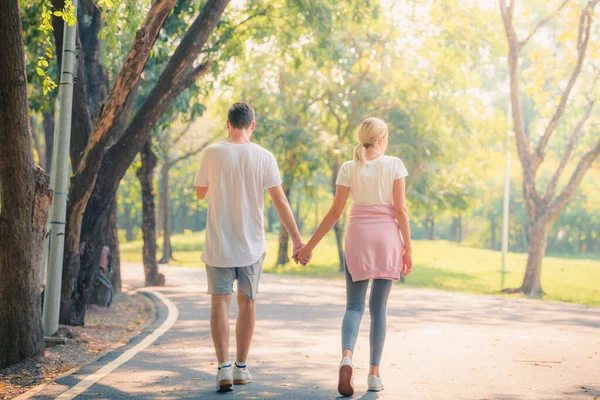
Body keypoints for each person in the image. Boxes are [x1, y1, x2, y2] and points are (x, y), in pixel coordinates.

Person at [296, 117, 413, 397]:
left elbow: (334, 212)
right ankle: (374, 374)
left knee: (354, 308)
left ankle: (347, 357)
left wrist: (308, 247)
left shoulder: (349, 167)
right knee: (378, 309)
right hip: (386, 239)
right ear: (382, 140)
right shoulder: (395, 164)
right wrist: (408, 247)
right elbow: (401, 211)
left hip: (357, 237)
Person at [194, 102, 305, 392]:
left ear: (227, 124)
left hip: (219, 242)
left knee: (220, 301)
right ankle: (241, 368)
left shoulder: (212, 152)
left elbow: (200, 193)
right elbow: (280, 201)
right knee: (248, 303)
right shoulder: (264, 156)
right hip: (251, 245)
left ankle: (223, 369)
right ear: (252, 126)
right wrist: (297, 239)